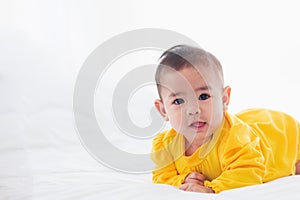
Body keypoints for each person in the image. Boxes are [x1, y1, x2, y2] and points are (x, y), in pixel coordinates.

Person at [151, 44, 300, 194]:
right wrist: (183, 180)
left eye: (203, 96)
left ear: (224, 99)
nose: (193, 110)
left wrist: (210, 189)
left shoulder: (234, 139)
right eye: (178, 101)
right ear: (163, 110)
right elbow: (161, 176)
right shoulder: (166, 146)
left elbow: (248, 173)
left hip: (283, 137)